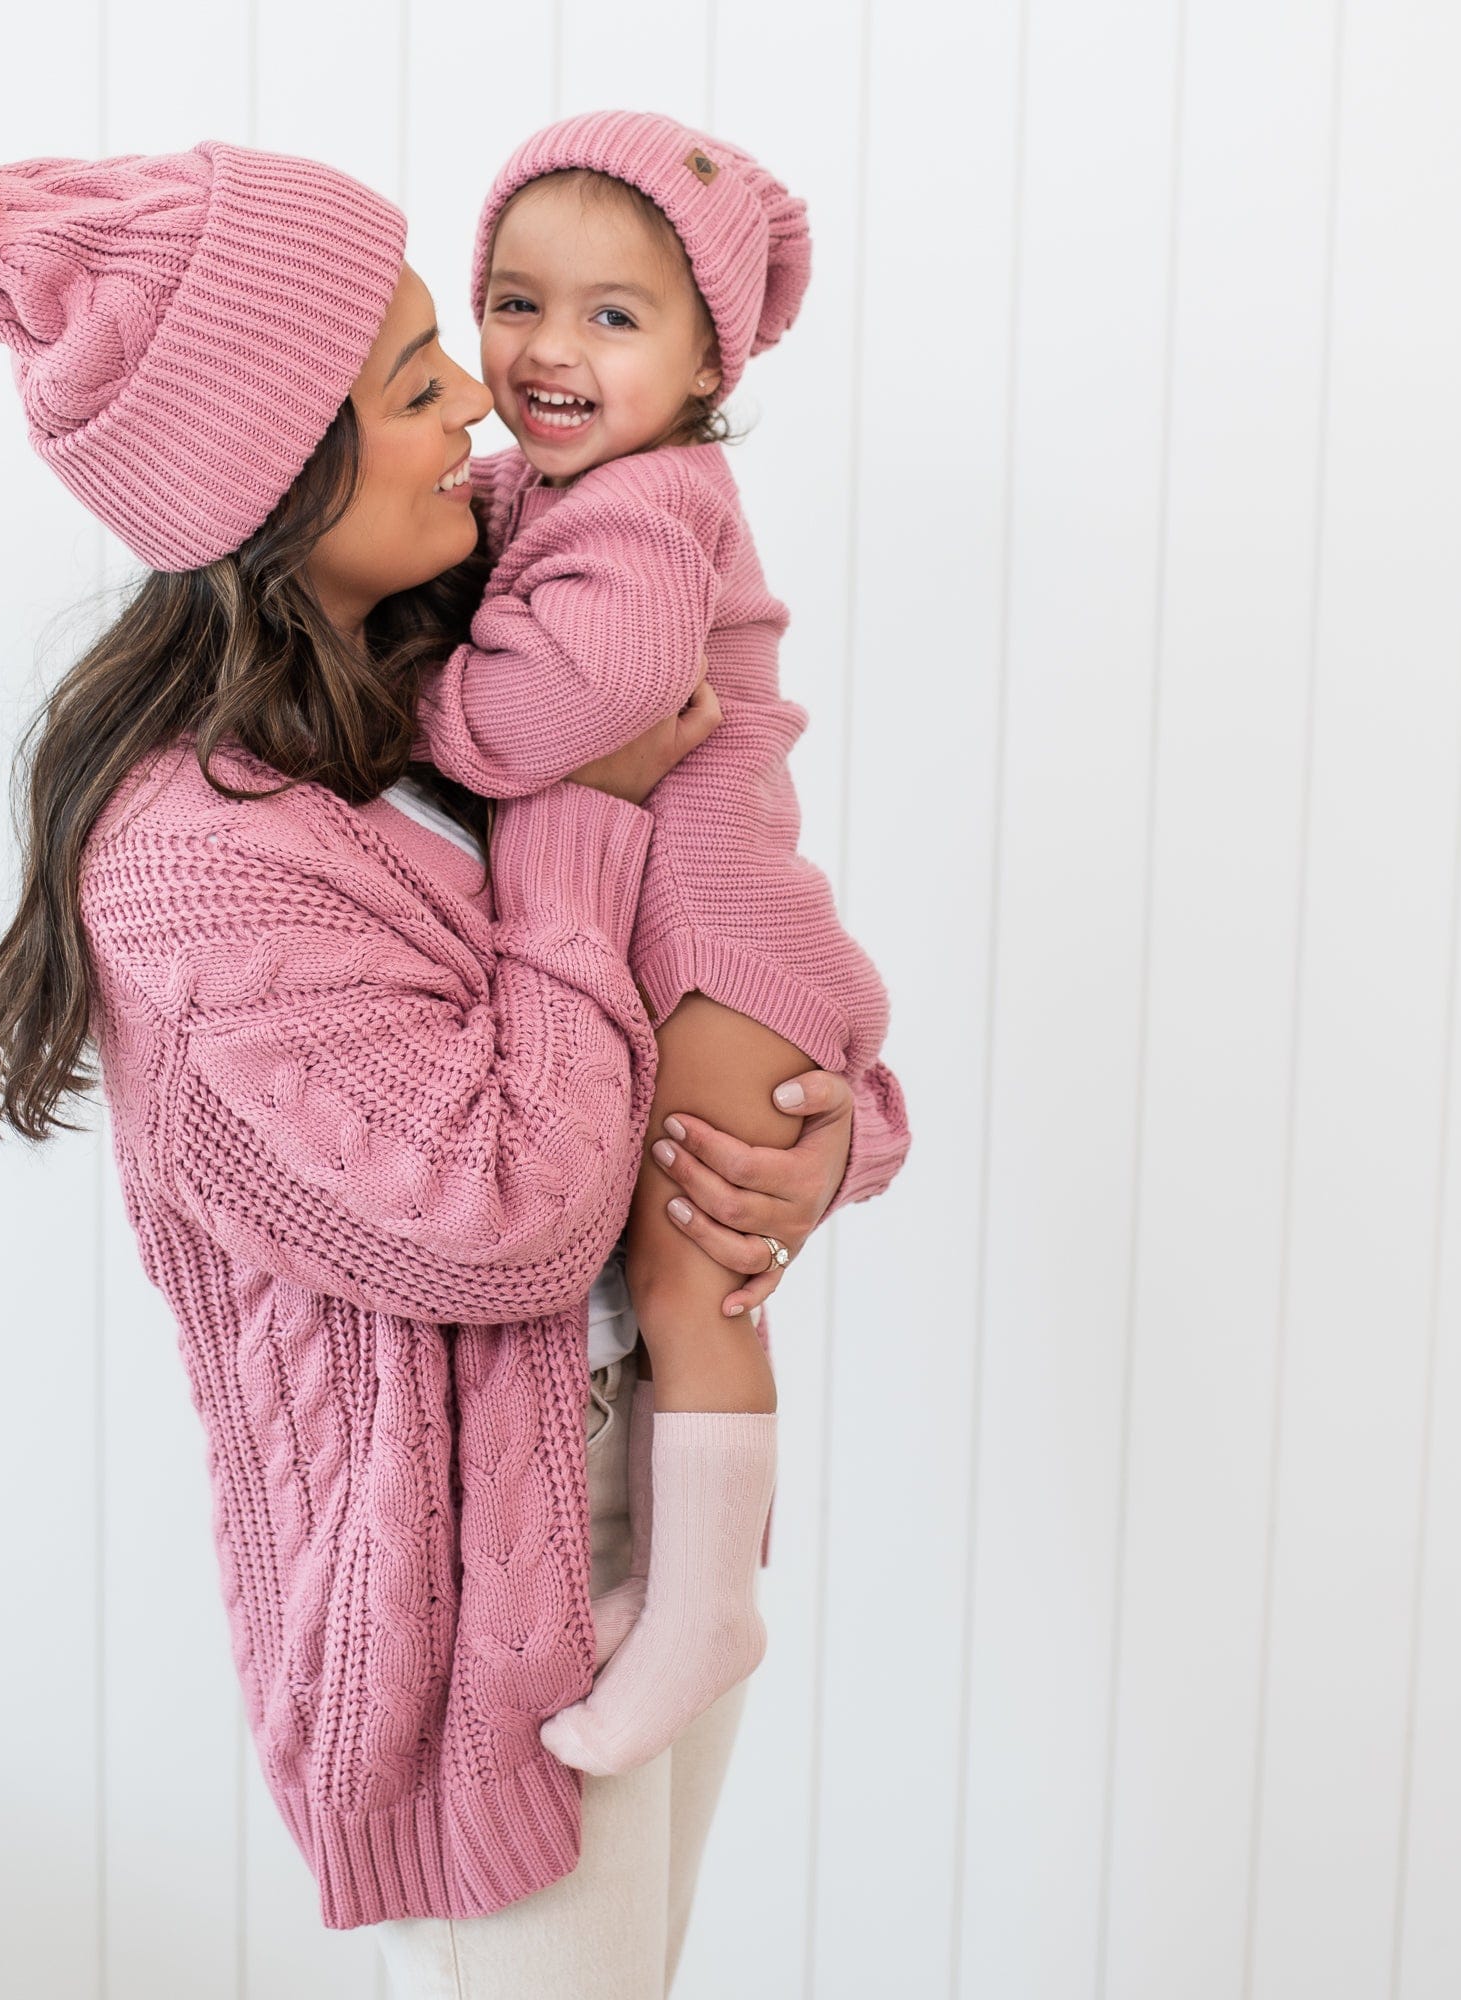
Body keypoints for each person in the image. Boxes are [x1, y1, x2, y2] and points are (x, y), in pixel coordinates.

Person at [0, 115, 911, 1992]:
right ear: (277, 462)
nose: (478, 412)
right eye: (421, 381)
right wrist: (581, 816)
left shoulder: (490, 659)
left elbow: (723, 944)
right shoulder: (204, 847)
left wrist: (830, 1138)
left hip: (660, 1486)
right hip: (467, 1593)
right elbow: (502, 1215)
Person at [415, 110, 902, 1780]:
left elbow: (597, 696)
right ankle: (687, 1593)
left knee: (701, 1280)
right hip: (698, 931)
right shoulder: (552, 484)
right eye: (512, 299)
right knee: (688, 1260)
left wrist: (423, 710)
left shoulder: (645, 509)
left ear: (709, 364)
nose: (548, 350)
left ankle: (704, 1606)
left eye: (614, 317)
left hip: (713, 938)